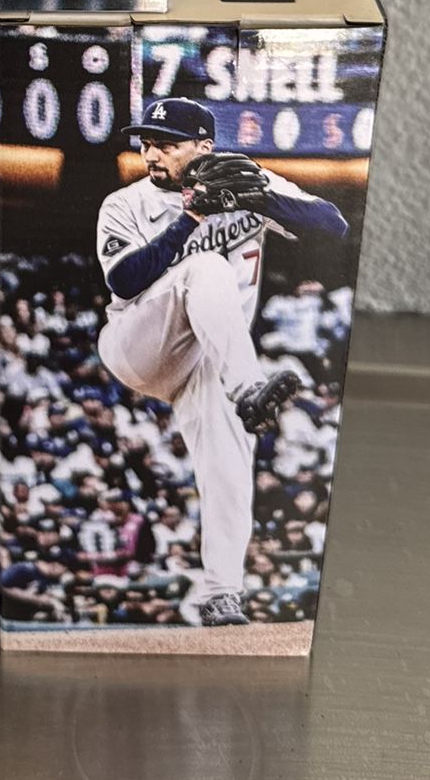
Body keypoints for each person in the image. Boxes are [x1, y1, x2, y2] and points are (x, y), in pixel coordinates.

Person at [93, 98, 347, 627]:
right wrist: (193, 216)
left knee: (230, 463)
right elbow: (124, 280)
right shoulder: (125, 203)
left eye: (166, 144)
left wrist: (261, 198)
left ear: (204, 147)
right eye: (147, 143)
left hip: (209, 356)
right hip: (140, 343)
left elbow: (333, 226)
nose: (151, 153)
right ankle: (250, 387)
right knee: (206, 267)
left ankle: (222, 593)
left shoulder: (247, 178)